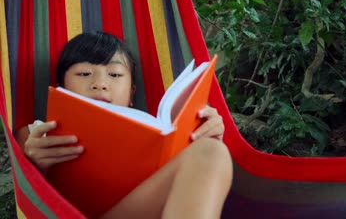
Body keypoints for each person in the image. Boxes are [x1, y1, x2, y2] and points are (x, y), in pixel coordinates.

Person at [15, 32, 233, 219]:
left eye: (115, 74)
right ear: (61, 87)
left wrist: (205, 132)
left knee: (211, 152)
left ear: (131, 93)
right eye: (83, 73)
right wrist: (32, 167)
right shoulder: (38, 133)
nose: (100, 83)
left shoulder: (153, 131)